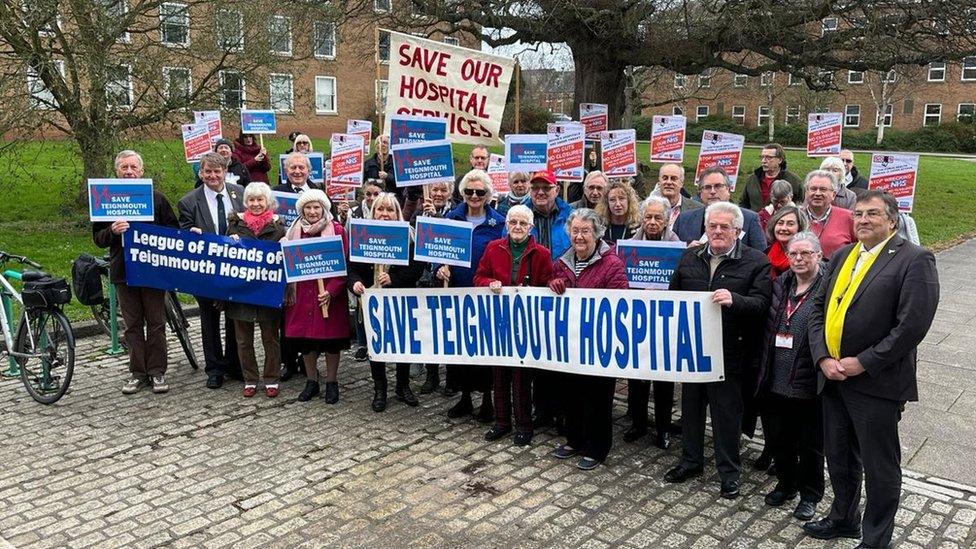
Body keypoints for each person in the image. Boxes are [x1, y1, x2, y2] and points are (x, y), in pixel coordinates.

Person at [804, 190, 940, 548]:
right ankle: (843, 518)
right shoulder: (844, 255)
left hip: (875, 383)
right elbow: (817, 308)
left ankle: (876, 538)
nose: (863, 220)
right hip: (832, 376)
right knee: (839, 456)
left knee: (880, 467)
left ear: (892, 220)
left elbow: (911, 326)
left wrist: (863, 362)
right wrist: (822, 357)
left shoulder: (915, 259)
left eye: (872, 214)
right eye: (858, 214)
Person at [664, 202, 772, 499]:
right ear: (705, 229)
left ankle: (729, 473)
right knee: (691, 410)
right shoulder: (689, 258)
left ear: (738, 231)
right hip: (694, 351)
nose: (718, 231)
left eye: (725, 227)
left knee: (727, 416)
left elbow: (762, 305)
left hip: (730, 353)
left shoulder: (756, 261)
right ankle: (691, 461)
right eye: (713, 226)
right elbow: (674, 299)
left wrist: (736, 299)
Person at [93, 150, 180, 395]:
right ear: (117, 172)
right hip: (123, 271)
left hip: (152, 271)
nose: (129, 171)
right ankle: (137, 373)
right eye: (124, 168)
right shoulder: (106, 200)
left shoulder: (157, 199)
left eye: (133, 167)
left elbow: (173, 231)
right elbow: (98, 238)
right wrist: (112, 230)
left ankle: (157, 372)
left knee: (156, 323)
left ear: (141, 171)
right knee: (132, 325)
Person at [548, 208, 629, 470]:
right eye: (575, 231)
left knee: (597, 397)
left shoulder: (612, 263)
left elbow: (619, 299)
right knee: (570, 393)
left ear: (596, 234)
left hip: (599, 343)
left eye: (585, 231)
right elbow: (552, 282)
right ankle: (574, 440)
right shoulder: (562, 261)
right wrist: (555, 282)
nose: (579, 236)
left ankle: (597, 448)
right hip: (571, 343)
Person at [757, 231, 826, 522]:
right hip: (774, 379)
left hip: (808, 383)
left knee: (810, 445)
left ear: (818, 256)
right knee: (778, 439)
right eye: (793, 254)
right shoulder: (780, 284)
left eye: (805, 254)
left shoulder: (828, 288)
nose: (798, 259)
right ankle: (786, 484)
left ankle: (810, 494)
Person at [474, 205, 553, 447]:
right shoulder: (493, 248)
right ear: (506, 225)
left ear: (531, 229)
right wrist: (490, 282)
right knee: (499, 375)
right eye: (513, 222)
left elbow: (547, 282)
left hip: (526, 322)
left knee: (521, 376)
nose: (517, 227)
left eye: (522, 223)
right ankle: (501, 422)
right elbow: (478, 277)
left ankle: (524, 425)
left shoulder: (542, 253)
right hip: (499, 321)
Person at [437, 170, 506, 421]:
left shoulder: (499, 223)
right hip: (457, 292)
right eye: (469, 191)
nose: (474, 196)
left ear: (488, 195)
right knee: (461, 348)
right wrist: (439, 268)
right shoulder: (451, 218)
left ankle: (488, 400)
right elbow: (436, 251)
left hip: (487, 294)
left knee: (486, 348)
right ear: (462, 193)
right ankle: (464, 397)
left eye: (480, 192)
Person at [347, 193, 425, 412]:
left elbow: (417, 268)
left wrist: (394, 278)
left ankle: (402, 386)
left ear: (397, 212)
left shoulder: (408, 235)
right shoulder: (362, 235)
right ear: (373, 212)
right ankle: (380, 389)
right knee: (376, 345)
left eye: (390, 210)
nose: (384, 214)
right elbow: (351, 269)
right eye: (380, 209)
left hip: (401, 299)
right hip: (372, 301)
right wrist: (355, 284)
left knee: (403, 345)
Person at [178, 152, 245, 389]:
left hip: (235, 269)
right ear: (201, 173)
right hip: (205, 272)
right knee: (209, 319)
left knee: (235, 316)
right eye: (208, 171)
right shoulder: (189, 202)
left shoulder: (240, 196)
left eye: (217, 171)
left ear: (225, 172)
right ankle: (215, 368)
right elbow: (183, 238)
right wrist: (190, 235)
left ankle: (236, 364)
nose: (213, 176)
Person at [282, 190, 350, 403]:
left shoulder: (336, 230)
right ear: (302, 210)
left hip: (329, 295)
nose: (312, 211)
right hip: (301, 295)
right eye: (308, 207)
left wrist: (331, 291)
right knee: (306, 343)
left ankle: (331, 382)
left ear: (324, 209)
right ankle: (311, 381)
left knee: (331, 342)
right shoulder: (294, 232)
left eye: (316, 207)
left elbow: (344, 264)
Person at [624, 195, 681, 448]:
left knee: (663, 380)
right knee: (636, 377)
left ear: (667, 219)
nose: (653, 222)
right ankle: (637, 423)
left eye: (658, 217)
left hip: (665, 322)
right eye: (648, 217)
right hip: (637, 320)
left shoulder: (677, 246)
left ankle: (663, 428)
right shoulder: (629, 245)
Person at [225, 183, 286, 397]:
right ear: (246, 202)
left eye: (260, 200)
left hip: (267, 292)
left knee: (270, 338)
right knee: (243, 340)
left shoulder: (279, 226)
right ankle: (250, 378)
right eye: (252, 200)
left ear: (268, 202)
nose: (256, 204)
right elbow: (223, 255)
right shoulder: (235, 224)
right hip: (241, 291)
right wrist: (228, 241)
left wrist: (286, 244)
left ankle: (271, 378)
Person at [526, 170, 573, 429]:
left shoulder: (569, 215)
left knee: (562, 353)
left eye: (546, 187)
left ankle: (562, 409)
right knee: (537, 353)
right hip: (533, 291)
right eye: (536, 188)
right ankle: (540, 407)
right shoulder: (521, 214)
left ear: (556, 189)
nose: (541, 192)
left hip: (563, 290)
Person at [412, 180, 455, 394]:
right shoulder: (420, 211)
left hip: (447, 278)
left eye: (443, 190)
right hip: (424, 277)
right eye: (435, 189)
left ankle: (452, 377)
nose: (438, 193)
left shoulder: (456, 212)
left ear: (450, 193)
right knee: (428, 327)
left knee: (449, 328)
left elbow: (451, 235)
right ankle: (431, 374)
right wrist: (422, 215)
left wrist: (436, 218)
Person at [673, 167, 766, 249]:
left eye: (718, 186)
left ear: (728, 189)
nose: (712, 191)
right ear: (700, 193)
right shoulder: (683, 219)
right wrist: (686, 252)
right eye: (707, 187)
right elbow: (671, 257)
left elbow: (761, 257)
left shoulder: (749, 219)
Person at [347, 180, 384, 362]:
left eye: (376, 194)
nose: (371, 198)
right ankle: (363, 343)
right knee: (361, 307)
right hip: (364, 271)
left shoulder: (392, 216)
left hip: (384, 275)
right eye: (368, 194)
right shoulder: (355, 213)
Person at [364, 134, 421, 220]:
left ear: (389, 146)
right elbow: (364, 184)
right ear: (376, 146)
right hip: (374, 203)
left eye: (385, 142)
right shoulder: (368, 164)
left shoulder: (397, 163)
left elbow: (402, 184)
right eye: (379, 143)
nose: (382, 145)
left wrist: (388, 177)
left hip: (395, 202)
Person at [802, 170, 856, 259]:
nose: (817, 193)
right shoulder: (795, 216)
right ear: (806, 192)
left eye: (823, 189)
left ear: (833, 194)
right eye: (813, 189)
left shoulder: (849, 217)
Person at [739, 143, 803, 211]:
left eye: (769, 157)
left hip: (780, 220)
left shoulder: (793, 181)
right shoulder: (752, 179)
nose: (763, 161)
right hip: (755, 220)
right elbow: (743, 203)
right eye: (762, 157)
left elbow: (800, 204)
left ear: (780, 160)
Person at [652, 163, 702, 231]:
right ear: (659, 181)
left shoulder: (698, 209)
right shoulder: (644, 208)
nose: (669, 182)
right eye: (665, 178)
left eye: (673, 179)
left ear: (681, 183)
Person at [765, 206, 810, 278]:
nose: (783, 228)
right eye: (780, 223)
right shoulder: (766, 254)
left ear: (800, 228)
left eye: (790, 224)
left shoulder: (809, 257)